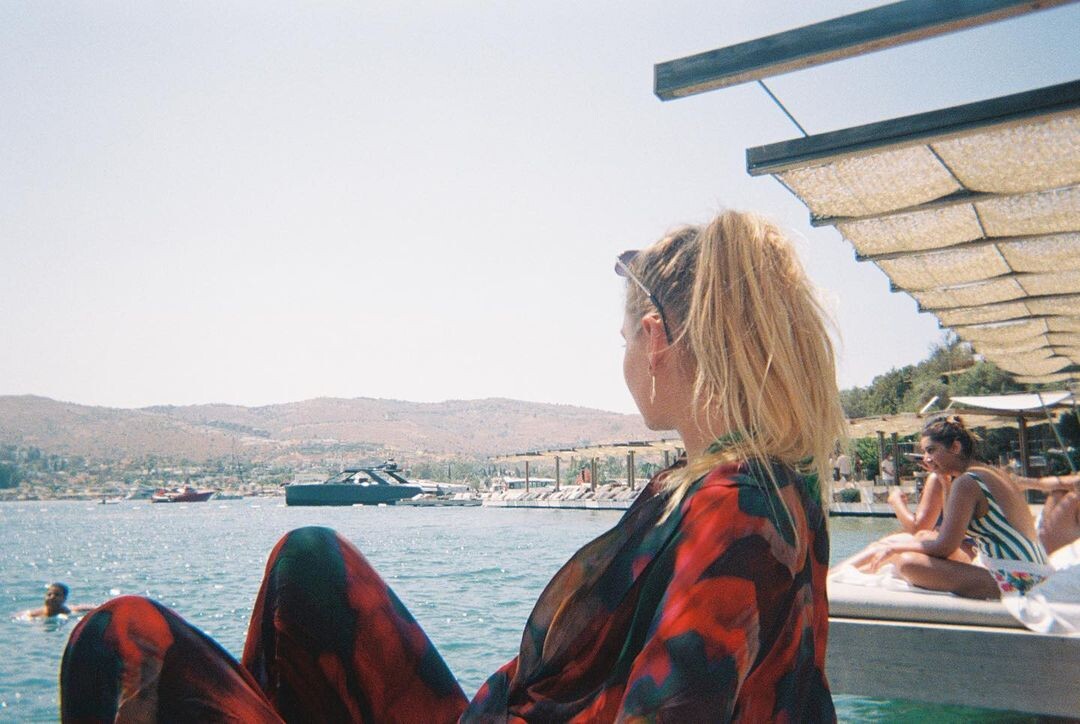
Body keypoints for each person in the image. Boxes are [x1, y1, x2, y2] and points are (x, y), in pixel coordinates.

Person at [60, 210, 846, 722]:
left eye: (623, 343)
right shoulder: (764, 491)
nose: (625, 361)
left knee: (117, 641)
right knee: (309, 562)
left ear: (655, 339)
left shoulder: (732, 510)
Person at [856, 416, 1073, 599]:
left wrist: (896, 548)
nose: (927, 459)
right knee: (917, 542)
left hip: (1018, 579)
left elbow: (945, 547)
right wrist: (944, 482)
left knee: (908, 563)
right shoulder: (988, 472)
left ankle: (855, 572)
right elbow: (951, 530)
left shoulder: (967, 482)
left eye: (931, 450)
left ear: (955, 447)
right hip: (1031, 570)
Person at [23, 583, 94, 619]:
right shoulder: (33, 614)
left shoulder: (72, 611)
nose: (52, 597)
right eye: (49, 595)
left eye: (57, 595)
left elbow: (94, 608)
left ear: (64, 598)